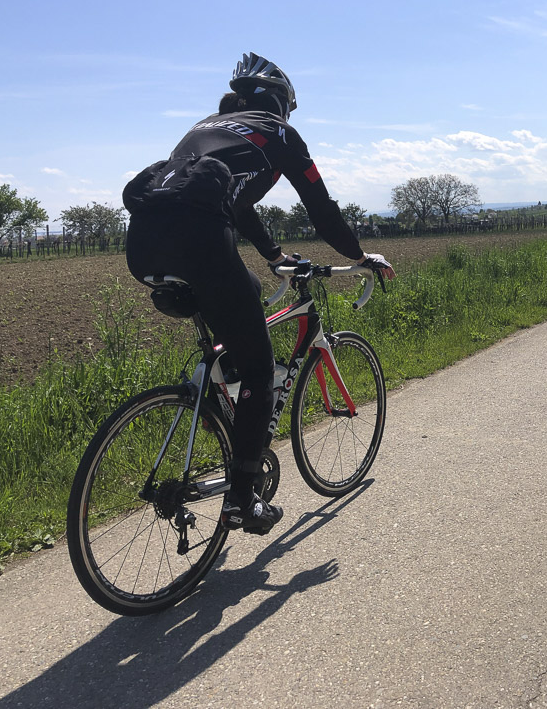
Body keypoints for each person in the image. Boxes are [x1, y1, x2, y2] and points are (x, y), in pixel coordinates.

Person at [123, 52, 395, 535]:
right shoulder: (280, 134)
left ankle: (223, 417)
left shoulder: (210, 126)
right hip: (199, 240)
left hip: (143, 247)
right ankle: (242, 499)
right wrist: (359, 256)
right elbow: (322, 209)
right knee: (259, 368)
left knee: (241, 305)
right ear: (281, 103)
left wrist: (272, 258)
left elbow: (239, 204)